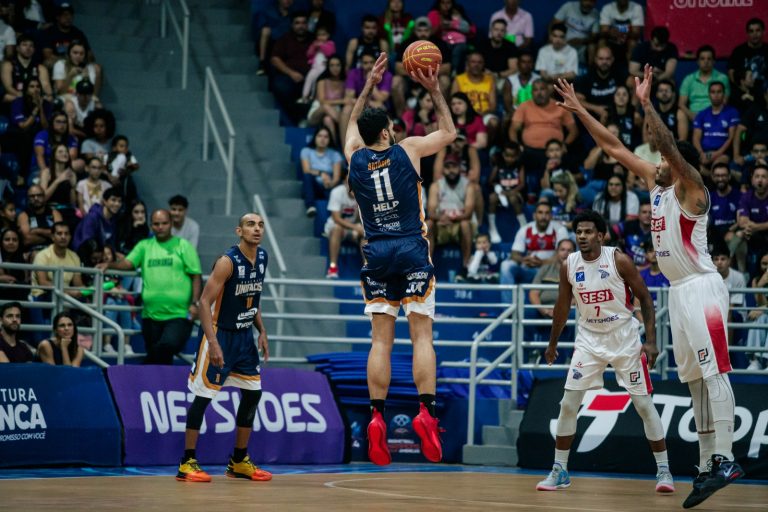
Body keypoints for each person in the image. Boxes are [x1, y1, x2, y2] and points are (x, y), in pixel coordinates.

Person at [554, 66, 744, 508]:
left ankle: (726, 457)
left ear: (673, 165)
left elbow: (668, 146)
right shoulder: (655, 185)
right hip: (677, 292)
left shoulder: (691, 188)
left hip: (702, 286)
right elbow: (612, 146)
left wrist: (645, 103)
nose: (653, 163)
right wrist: (580, 109)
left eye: (660, 160)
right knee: (694, 378)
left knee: (714, 371)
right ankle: (706, 465)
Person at [344, 52, 455, 465]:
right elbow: (449, 132)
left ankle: (377, 417)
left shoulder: (354, 157)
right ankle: (425, 412)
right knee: (421, 336)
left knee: (380, 341)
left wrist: (367, 86)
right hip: (410, 247)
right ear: (387, 131)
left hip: (376, 252)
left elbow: (351, 125)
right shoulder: (408, 150)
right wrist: (435, 91)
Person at [538, 210, 674, 494]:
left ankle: (664, 470)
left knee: (643, 404)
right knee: (568, 403)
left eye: (588, 232)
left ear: (601, 235)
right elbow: (562, 306)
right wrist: (552, 344)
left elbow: (645, 299)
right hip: (588, 340)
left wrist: (650, 340)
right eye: (579, 232)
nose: (582, 237)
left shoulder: (618, 260)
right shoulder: (569, 265)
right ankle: (559, 469)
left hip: (624, 337)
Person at [176, 213, 272, 483]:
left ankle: (239, 461)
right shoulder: (227, 262)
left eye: (260, 225)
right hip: (220, 335)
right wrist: (213, 343)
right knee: (204, 396)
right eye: (250, 224)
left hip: (244, 337)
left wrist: (262, 330)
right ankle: (187, 462)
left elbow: (252, 297)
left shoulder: (262, 257)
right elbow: (204, 302)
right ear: (239, 231)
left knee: (253, 395)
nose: (256, 229)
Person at [99, 210, 202, 365]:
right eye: (156, 224)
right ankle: (154, 379)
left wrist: (195, 303)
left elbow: (196, 276)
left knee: (167, 346)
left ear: (171, 224)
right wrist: (109, 265)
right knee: (159, 359)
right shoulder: (144, 246)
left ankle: (139, 372)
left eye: (164, 223)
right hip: (150, 315)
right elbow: (128, 263)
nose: (160, 227)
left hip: (179, 314)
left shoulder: (184, 246)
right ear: (151, 226)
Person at [324, 180, 364, 279]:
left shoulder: (362, 194)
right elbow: (336, 218)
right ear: (346, 185)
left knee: (366, 234)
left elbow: (360, 219)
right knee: (337, 228)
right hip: (336, 226)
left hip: (353, 227)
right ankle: (332, 267)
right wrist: (355, 227)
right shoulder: (337, 192)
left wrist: (359, 227)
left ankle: (369, 271)